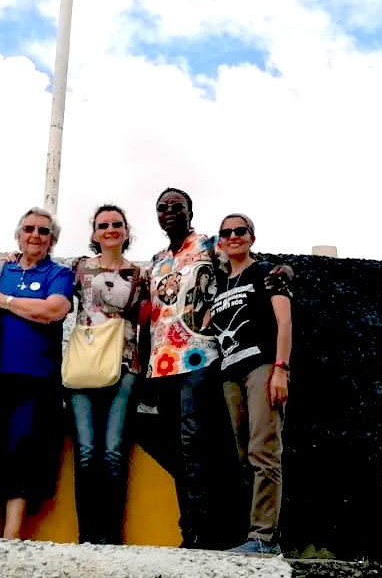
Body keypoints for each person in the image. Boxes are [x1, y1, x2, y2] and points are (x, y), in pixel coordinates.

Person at [144, 186, 233, 549]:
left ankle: (205, 534)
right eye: (162, 207)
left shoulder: (210, 246)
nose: (169, 212)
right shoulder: (156, 260)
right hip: (162, 364)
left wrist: (283, 272)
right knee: (176, 450)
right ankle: (190, 531)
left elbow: (245, 267)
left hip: (199, 356)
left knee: (195, 441)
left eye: (176, 206)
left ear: (189, 212)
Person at [0, 207, 75, 538]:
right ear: (18, 234)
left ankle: (12, 533)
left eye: (44, 231)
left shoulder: (58, 273)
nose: (36, 235)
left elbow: (53, 310)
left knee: (25, 451)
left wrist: (5, 301)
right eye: (29, 229)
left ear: (52, 240)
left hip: (37, 376)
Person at [206, 214, 293, 555]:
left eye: (240, 231)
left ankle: (264, 538)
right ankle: (248, 535)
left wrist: (281, 369)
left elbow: (284, 321)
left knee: (264, 451)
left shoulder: (266, 272)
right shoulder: (221, 284)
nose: (233, 237)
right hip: (230, 373)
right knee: (242, 455)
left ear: (252, 237)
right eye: (225, 233)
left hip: (261, 367)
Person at [66, 204, 150, 544]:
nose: (110, 229)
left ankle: (110, 536)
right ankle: (87, 535)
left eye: (117, 224)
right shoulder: (78, 269)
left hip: (125, 363)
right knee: (86, 453)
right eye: (103, 225)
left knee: (113, 452)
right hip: (84, 364)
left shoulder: (141, 274)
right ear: (94, 233)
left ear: (127, 232)